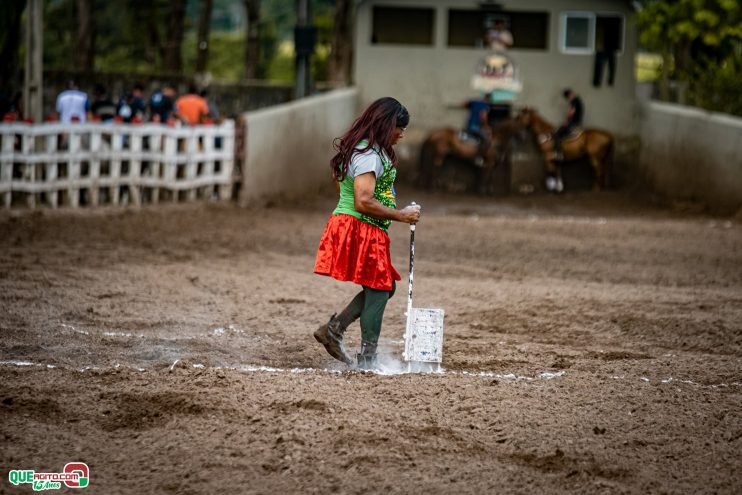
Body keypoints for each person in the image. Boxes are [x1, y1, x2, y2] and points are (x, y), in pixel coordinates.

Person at [313, 97, 421, 369]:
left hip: (364, 227)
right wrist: (401, 215)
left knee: (385, 287)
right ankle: (368, 359)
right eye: (400, 127)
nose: (402, 134)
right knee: (380, 287)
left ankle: (335, 329)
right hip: (359, 227)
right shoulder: (368, 153)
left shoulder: (369, 151)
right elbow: (362, 200)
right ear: (387, 125)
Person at [553, 88, 584, 161]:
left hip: (573, 123)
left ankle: (559, 154)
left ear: (569, 95)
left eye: (567, 98)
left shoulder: (574, 101)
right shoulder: (578, 100)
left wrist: (567, 121)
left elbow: (571, 112)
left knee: (557, 134)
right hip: (578, 122)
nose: (568, 99)